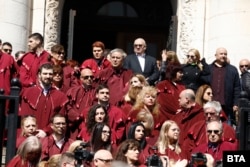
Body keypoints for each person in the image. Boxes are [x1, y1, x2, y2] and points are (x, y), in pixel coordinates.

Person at [20, 63, 69, 137]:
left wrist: (46, 131)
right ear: (39, 75)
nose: (48, 76)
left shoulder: (60, 96)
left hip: (51, 136)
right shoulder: (28, 93)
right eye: (45, 73)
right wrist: (33, 131)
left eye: (50, 74)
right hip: (30, 136)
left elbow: (60, 119)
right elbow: (25, 117)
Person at [202, 47, 241, 125]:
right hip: (210, 105)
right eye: (221, 54)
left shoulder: (232, 70)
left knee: (226, 128)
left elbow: (237, 88)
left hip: (226, 107)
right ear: (215, 55)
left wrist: (236, 103)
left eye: (225, 54)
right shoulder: (208, 69)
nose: (223, 55)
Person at [66, 68, 97, 139]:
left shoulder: (96, 92)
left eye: (91, 77)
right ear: (81, 78)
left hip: (90, 125)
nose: (89, 79)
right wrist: (77, 117)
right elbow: (67, 107)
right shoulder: (73, 91)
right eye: (86, 77)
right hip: (75, 126)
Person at [93, 84, 126, 149]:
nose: (105, 95)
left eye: (107, 93)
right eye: (102, 93)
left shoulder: (118, 112)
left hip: (111, 145)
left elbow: (121, 129)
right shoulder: (90, 111)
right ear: (97, 95)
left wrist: (113, 138)